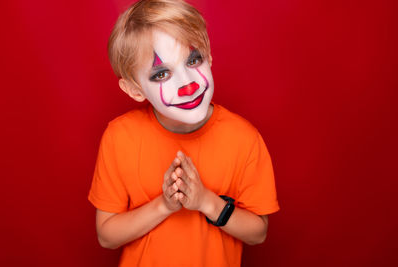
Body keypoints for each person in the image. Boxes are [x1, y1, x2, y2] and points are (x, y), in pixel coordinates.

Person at [88, 0, 279, 266]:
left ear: (209, 55)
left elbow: (258, 233)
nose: (186, 84)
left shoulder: (244, 138)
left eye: (193, 59)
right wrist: (165, 205)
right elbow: (107, 236)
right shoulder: (120, 137)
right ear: (134, 89)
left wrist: (205, 201)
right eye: (162, 73)